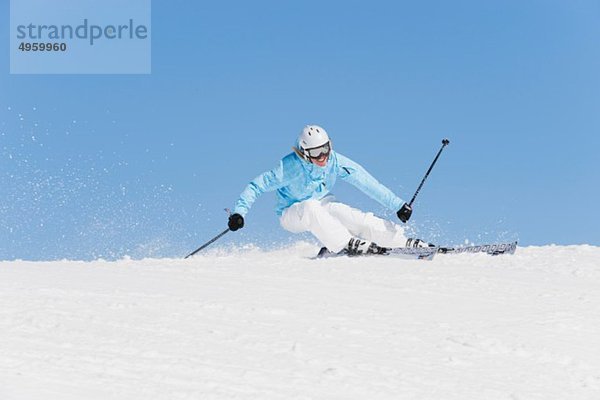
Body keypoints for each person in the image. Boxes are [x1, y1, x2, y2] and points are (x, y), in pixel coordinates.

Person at [228, 125, 416, 256]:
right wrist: (239, 213)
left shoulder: (335, 161)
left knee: (345, 213)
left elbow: (366, 182)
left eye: (325, 149)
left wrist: (398, 205)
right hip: (292, 213)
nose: (322, 156)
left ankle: (399, 240)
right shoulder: (289, 168)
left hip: (322, 202)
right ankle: (345, 244)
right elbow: (257, 186)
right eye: (316, 153)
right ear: (304, 152)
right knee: (311, 207)